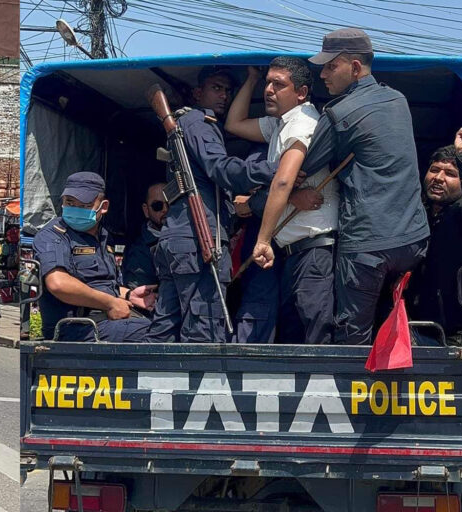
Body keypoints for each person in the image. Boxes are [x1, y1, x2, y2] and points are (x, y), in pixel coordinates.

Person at [301, 28, 430, 345]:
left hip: (367, 246)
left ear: (355, 67)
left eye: (331, 66)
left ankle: (352, 390)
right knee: (394, 322)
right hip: (414, 240)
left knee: (352, 337)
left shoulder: (339, 113)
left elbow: (304, 168)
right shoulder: (398, 100)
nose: (323, 74)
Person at [147, 67, 276, 343]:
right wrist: (275, 171)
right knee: (204, 333)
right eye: (216, 88)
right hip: (197, 239)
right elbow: (220, 168)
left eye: (228, 90)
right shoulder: (199, 122)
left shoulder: (188, 123)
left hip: (181, 238)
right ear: (198, 92)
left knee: (165, 330)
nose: (224, 95)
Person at [225, 57, 337, 345]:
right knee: (296, 335)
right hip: (296, 252)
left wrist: (262, 241)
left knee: (314, 338)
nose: (269, 90)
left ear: (300, 93)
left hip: (313, 252)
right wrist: (251, 79)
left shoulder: (302, 121)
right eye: (268, 83)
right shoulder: (279, 125)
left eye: (279, 84)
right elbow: (234, 124)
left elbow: (284, 180)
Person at [34, 172, 155, 342]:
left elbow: (98, 283)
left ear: (103, 207)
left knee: (170, 324)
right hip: (76, 328)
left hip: (106, 323)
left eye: (84, 205)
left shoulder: (104, 236)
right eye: (70, 202)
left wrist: (128, 295)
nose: (75, 209)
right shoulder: (54, 235)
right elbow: (58, 283)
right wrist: (110, 303)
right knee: (159, 335)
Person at [406, 128, 462, 345]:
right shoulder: (415, 210)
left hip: (453, 335)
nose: (439, 178)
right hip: (409, 326)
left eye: (450, 174)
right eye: (435, 170)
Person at [121, 182, 166, 290]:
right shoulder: (139, 250)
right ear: (146, 210)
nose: (165, 210)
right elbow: (141, 293)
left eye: (171, 204)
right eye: (157, 206)